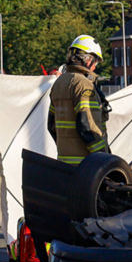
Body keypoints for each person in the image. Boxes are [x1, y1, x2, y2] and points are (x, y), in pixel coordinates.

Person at [47, 35, 110, 165]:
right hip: (86, 166)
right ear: (87, 59)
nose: (95, 67)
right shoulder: (83, 85)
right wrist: (104, 158)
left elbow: (51, 125)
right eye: (96, 62)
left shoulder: (59, 83)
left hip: (64, 164)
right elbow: (87, 126)